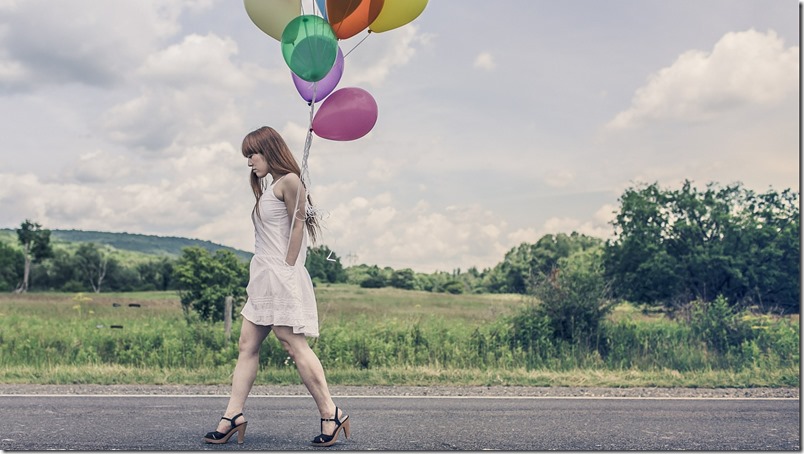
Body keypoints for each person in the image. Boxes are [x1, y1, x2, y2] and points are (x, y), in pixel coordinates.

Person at [203, 126, 349, 447]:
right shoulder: (270, 188)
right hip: (263, 277)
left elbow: (297, 226)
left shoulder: (290, 182)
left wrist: (287, 269)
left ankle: (330, 412)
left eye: (252, 154)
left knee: (291, 343)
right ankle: (232, 416)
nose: (250, 162)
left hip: (281, 275)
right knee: (246, 345)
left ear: (269, 150)